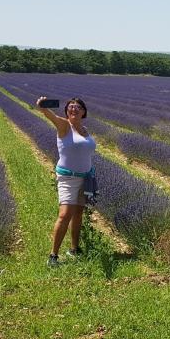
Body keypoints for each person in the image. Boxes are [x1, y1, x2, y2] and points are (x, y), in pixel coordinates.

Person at [36, 96, 96, 267]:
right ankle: (53, 256)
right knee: (64, 215)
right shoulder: (64, 126)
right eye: (70, 107)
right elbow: (50, 116)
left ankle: (74, 249)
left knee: (78, 215)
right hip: (68, 178)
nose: (74, 109)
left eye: (78, 107)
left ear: (83, 112)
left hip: (86, 177)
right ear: (67, 112)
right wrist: (43, 106)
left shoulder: (85, 130)